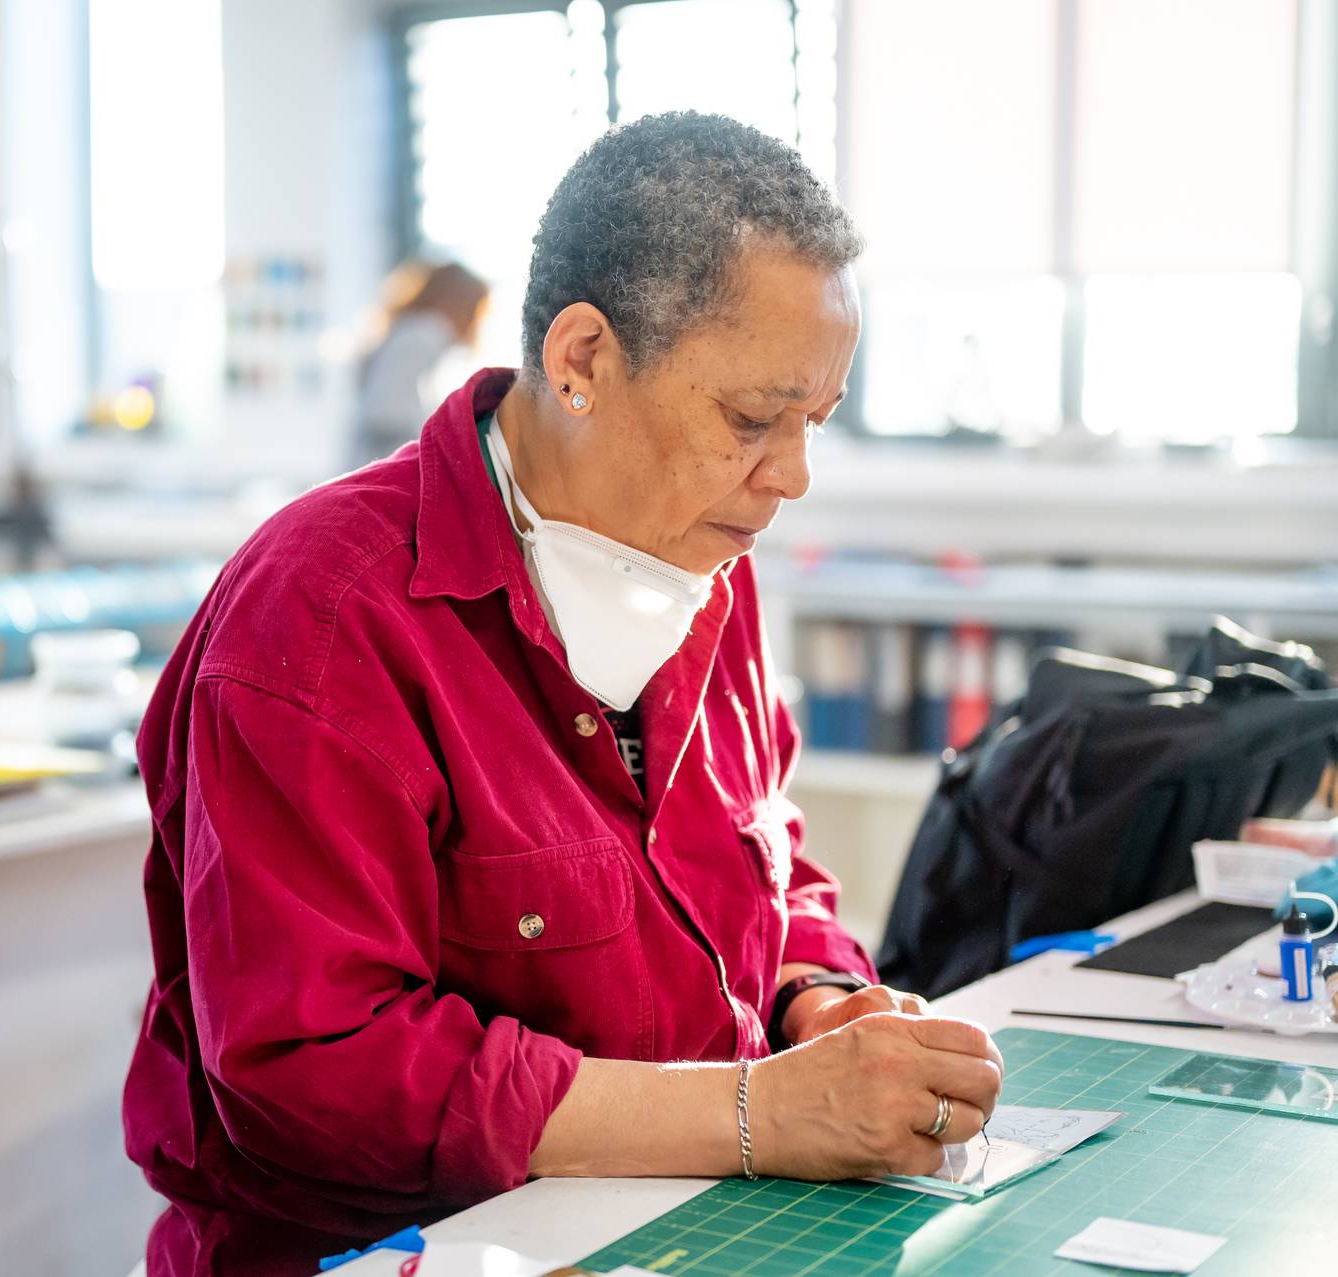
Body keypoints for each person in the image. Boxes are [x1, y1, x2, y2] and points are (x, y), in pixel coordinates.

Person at [123, 113, 1005, 1276]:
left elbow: (764, 866)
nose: (790, 476)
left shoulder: (704, 567)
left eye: (812, 423)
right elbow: (314, 1068)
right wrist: (753, 1113)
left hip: (670, 1226)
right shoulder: (324, 617)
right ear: (582, 358)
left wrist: (814, 996)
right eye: (751, 419)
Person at [353, 259, 490, 463]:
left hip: (372, 448)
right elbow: (387, 409)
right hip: (387, 450)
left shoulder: (409, 329)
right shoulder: (427, 333)